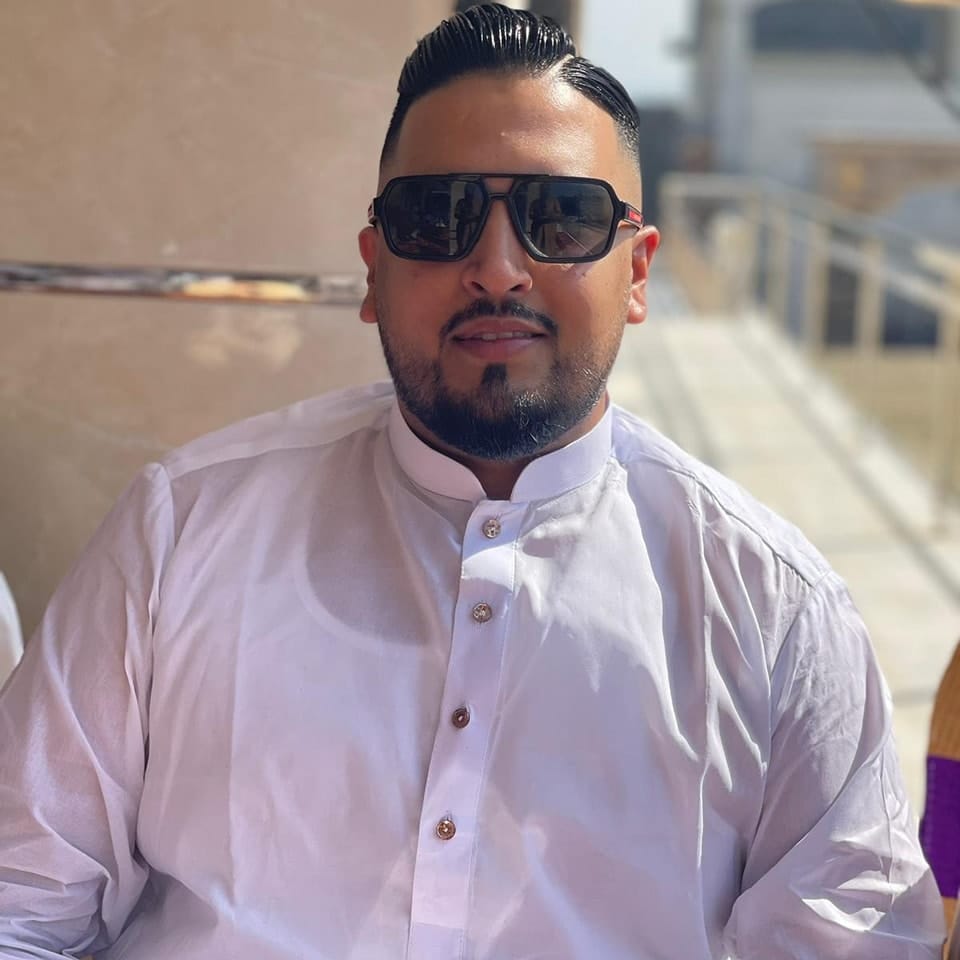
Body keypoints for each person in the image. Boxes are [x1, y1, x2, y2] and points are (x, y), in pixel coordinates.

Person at [0, 4, 945, 958]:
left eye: (562, 217)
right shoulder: (183, 531)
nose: (497, 269)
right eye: (436, 216)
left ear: (638, 273)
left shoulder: (773, 609)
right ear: (374, 269)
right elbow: (19, 908)